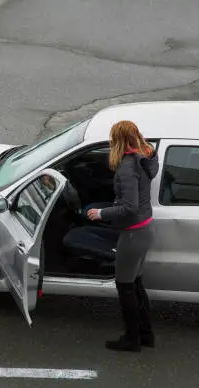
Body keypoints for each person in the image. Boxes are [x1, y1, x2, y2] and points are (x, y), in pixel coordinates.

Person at [64, 120, 159, 352]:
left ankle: (132, 339)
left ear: (118, 140)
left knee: (125, 287)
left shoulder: (127, 167)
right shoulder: (145, 158)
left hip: (132, 235)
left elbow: (129, 207)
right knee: (136, 285)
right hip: (145, 230)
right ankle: (146, 335)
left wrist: (101, 213)